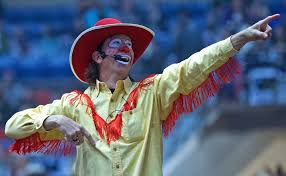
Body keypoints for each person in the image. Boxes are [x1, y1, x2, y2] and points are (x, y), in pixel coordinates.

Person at [5, 14, 280, 176]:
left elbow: (191, 67)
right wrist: (55, 120)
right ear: (98, 56)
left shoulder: (151, 92)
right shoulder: (74, 105)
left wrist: (237, 40)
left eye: (129, 45)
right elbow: (13, 127)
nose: (128, 48)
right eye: (118, 43)